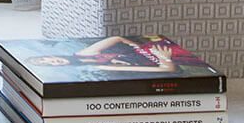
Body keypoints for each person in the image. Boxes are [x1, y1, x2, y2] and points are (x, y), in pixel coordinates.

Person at [26, 36, 204, 73]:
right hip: (164, 57)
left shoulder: (84, 53)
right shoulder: (99, 66)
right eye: (49, 64)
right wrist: (163, 58)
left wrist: (138, 47)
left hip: (150, 48)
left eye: (46, 58)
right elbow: (167, 70)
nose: (52, 60)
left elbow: (117, 38)